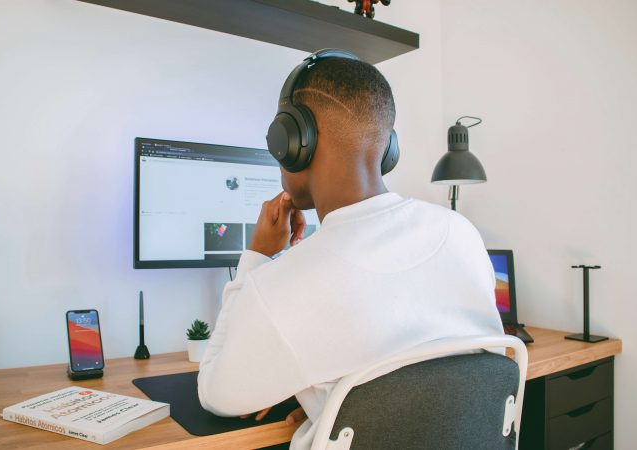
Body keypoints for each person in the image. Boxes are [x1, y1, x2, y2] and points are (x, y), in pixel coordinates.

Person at [197, 54, 504, 449]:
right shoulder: (460, 232)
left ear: (293, 142)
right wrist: (331, 400)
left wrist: (256, 256)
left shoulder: (283, 282)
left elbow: (216, 394)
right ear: (387, 146)